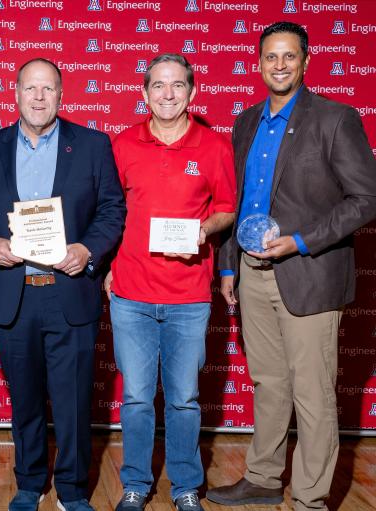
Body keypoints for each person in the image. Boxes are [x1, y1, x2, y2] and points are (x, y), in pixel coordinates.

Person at [206, 22, 376, 511]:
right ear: (258, 63)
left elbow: (366, 197)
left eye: (289, 56)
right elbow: (237, 203)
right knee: (269, 382)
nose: (279, 65)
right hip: (252, 274)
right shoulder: (245, 122)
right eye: (270, 57)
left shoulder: (335, 118)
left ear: (306, 61)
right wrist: (228, 266)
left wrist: (301, 241)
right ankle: (262, 478)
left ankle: (309, 498)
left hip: (309, 273)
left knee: (313, 393)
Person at [0, 58, 126, 511]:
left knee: (74, 401)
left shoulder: (93, 146)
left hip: (69, 292)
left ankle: (72, 491)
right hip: (14, 293)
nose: (38, 98)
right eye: (30, 89)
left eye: (48, 89)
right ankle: (29, 483)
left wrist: (88, 250)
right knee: (26, 399)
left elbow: (112, 209)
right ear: (15, 93)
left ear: (61, 94)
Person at [105, 54, 236, 511]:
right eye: (157, 86)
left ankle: (184, 487)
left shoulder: (214, 146)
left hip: (188, 297)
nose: (167, 94)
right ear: (144, 93)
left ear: (192, 92)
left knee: (183, 399)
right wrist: (106, 265)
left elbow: (226, 207)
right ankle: (136, 485)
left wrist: (204, 230)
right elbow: (110, 212)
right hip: (131, 295)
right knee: (138, 398)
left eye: (177, 85)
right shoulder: (122, 145)